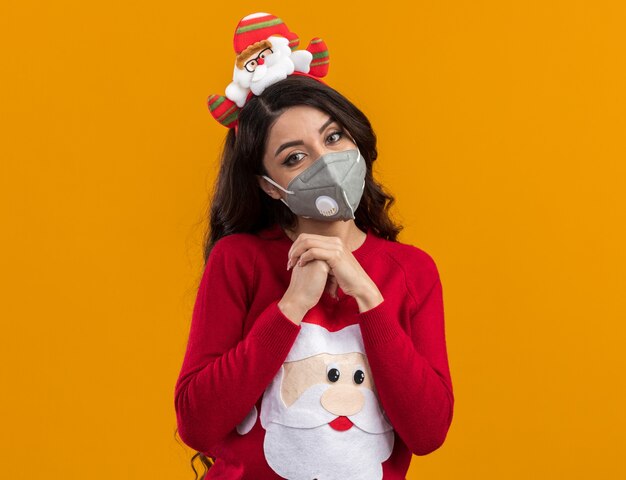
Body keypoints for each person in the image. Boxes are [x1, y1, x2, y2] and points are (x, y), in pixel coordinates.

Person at [174, 12, 454, 480]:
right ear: (268, 186)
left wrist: (368, 297)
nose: (325, 162)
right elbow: (197, 424)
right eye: (295, 157)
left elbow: (428, 433)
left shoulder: (411, 271)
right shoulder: (240, 261)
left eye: (334, 137)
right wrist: (292, 304)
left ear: (357, 141)